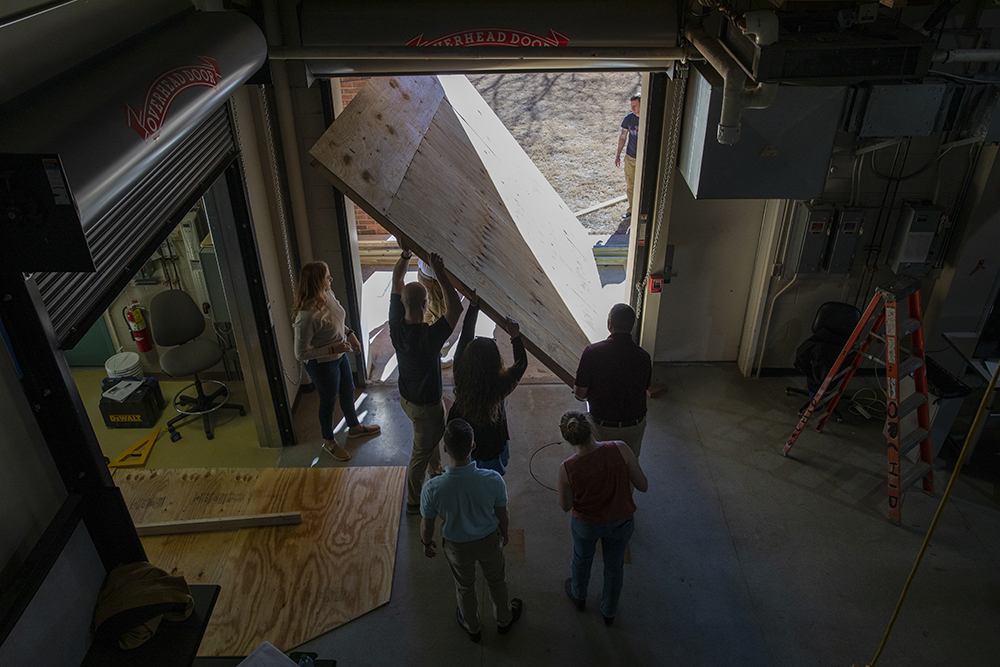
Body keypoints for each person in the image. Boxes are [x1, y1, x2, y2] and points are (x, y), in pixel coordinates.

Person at [420, 419, 523, 642]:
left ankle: (472, 625)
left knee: (464, 586)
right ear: (473, 446)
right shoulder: (493, 480)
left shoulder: (432, 488)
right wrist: (504, 533)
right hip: (489, 540)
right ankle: (504, 619)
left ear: (445, 448)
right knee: (497, 581)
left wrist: (427, 542)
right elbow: (502, 514)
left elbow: (427, 525)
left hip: (457, 546)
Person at [390, 241, 462, 514]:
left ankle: (437, 469)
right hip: (426, 406)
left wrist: (405, 254)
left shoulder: (395, 324)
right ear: (425, 303)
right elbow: (455, 310)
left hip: (407, 400)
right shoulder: (428, 339)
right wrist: (440, 273)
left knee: (427, 438)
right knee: (420, 451)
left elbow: (398, 278)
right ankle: (412, 502)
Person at [557, 411, 647, 626]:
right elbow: (642, 485)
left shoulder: (566, 468)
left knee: (581, 558)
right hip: (621, 521)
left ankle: (578, 595)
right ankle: (609, 610)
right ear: (590, 426)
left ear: (569, 440)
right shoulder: (620, 448)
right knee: (615, 565)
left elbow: (565, 506)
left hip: (587, 525)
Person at [292, 261, 380, 461]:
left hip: (339, 356)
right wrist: (333, 348)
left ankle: (354, 426)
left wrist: (350, 334)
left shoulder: (326, 294)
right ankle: (329, 441)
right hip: (322, 364)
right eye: (327, 277)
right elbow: (300, 353)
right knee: (328, 402)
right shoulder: (306, 316)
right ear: (316, 282)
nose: (331, 279)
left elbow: (337, 319)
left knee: (348, 390)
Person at [448, 291, 527, 475]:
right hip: (493, 447)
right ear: (495, 362)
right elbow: (521, 364)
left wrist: (474, 306)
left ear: (468, 357)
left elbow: (466, 335)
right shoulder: (500, 385)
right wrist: (515, 336)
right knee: (492, 484)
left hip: (468, 448)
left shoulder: (460, 372)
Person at [574, 303, 651, 459]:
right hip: (633, 426)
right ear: (632, 326)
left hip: (602, 426)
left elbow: (580, 394)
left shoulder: (592, 352)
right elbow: (645, 388)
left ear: (609, 324)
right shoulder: (644, 357)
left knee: (602, 466)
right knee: (628, 467)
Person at [614, 94, 641, 221]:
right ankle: (631, 210)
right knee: (631, 185)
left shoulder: (647, 118)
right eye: (631, 106)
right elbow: (623, 136)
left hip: (643, 159)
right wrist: (618, 155)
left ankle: (641, 211)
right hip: (630, 157)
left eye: (635, 106)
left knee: (642, 185)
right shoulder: (628, 119)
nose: (633, 108)